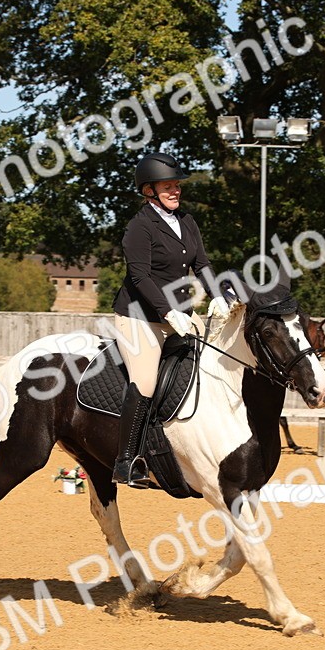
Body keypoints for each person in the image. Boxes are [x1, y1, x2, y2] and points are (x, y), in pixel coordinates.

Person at [111, 152, 229, 486]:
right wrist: (167, 311)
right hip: (141, 318)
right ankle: (125, 463)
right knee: (146, 382)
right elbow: (140, 277)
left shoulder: (187, 221)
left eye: (176, 185)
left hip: (181, 315)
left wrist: (218, 295)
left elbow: (202, 264)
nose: (175, 190)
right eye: (168, 186)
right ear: (148, 190)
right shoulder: (139, 227)